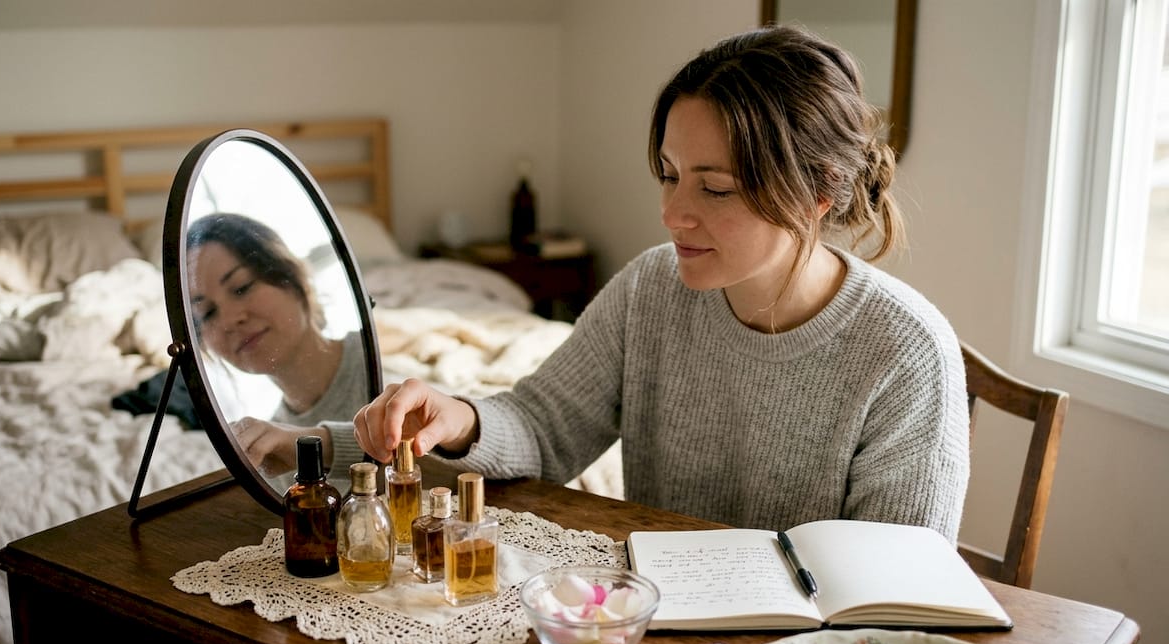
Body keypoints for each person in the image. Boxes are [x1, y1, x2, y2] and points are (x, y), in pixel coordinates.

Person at [353, 25, 970, 541]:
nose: (673, 214)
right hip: (656, 628)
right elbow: (543, 427)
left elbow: (895, 590)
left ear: (818, 193)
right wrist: (459, 418)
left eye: (716, 187)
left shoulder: (906, 353)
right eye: (670, 175)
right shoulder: (651, 288)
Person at [187, 212, 365, 481]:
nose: (229, 320)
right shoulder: (273, 460)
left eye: (242, 287)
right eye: (207, 313)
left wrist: (314, 447)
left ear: (293, 277)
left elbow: (444, 467)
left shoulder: (381, 360)